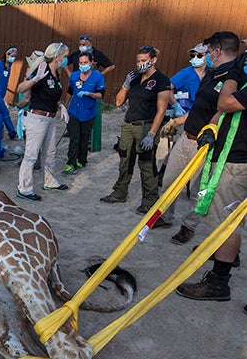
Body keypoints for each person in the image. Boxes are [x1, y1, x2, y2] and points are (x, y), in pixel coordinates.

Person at [176, 49, 247, 302]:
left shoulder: (236, 77)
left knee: (227, 225)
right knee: (225, 221)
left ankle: (218, 283)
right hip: (230, 158)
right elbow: (224, 110)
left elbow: (226, 102)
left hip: (237, 162)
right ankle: (226, 259)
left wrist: (233, 76)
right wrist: (213, 125)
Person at [163, 32, 242, 244]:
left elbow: (223, 111)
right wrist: (177, 121)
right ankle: (165, 216)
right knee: (169, 180)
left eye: (207, 52)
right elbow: (199, 106)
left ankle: (188, 227)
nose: (205, 56)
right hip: (186, 137)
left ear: (217, 52)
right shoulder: (210, 73)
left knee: (199, 190)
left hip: (206, 144)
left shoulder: (234, 79)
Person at [100, 45, 170, 215]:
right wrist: (125, 84)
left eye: (144, 61)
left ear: (153, 60)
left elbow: (161, 110)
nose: (140, 64)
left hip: (146, 126)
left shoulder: (161, 80)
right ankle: (120, 192)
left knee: (146, 163)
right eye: (138, 61)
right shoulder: (134, 78)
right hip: (128, 124)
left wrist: (152, 133)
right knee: (125, 160)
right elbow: (118, 102)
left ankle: (149, 200)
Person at [15, 43, 70, 201]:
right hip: (37, 119)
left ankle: (50, 182)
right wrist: (35, 79)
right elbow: (20, 88)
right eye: (64, 56)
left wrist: (61, 106)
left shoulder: (55, 74)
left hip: (51, 118)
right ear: (57, 56)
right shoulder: (42, 70)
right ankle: (24, 189)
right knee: (31, 155)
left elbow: (51, 96)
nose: (66, 60)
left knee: (50, 152)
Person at [64, 51, 105, 174]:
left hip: (89, 112)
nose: (83, 65)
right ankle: (71, 163)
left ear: (91, 62)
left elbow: (101, 94)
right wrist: (65, 107)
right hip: (75, 111)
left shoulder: (98, 77)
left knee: (84, 138)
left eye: (85, 62)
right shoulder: (74, 76)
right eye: (81, 63)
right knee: (74, 138)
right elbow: (70, 91)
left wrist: (89, 94)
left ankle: (82, 160)